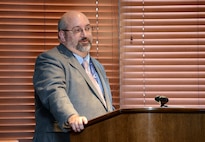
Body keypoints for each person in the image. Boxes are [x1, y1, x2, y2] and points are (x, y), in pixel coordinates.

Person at [32, 11, 114, 142]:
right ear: (62, 36)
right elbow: (54, 93)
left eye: (87, 28)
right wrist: (71, 117)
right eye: (77, 30)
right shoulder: (49, 60)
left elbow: (105, 107)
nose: (84, 34)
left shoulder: (98, 66)